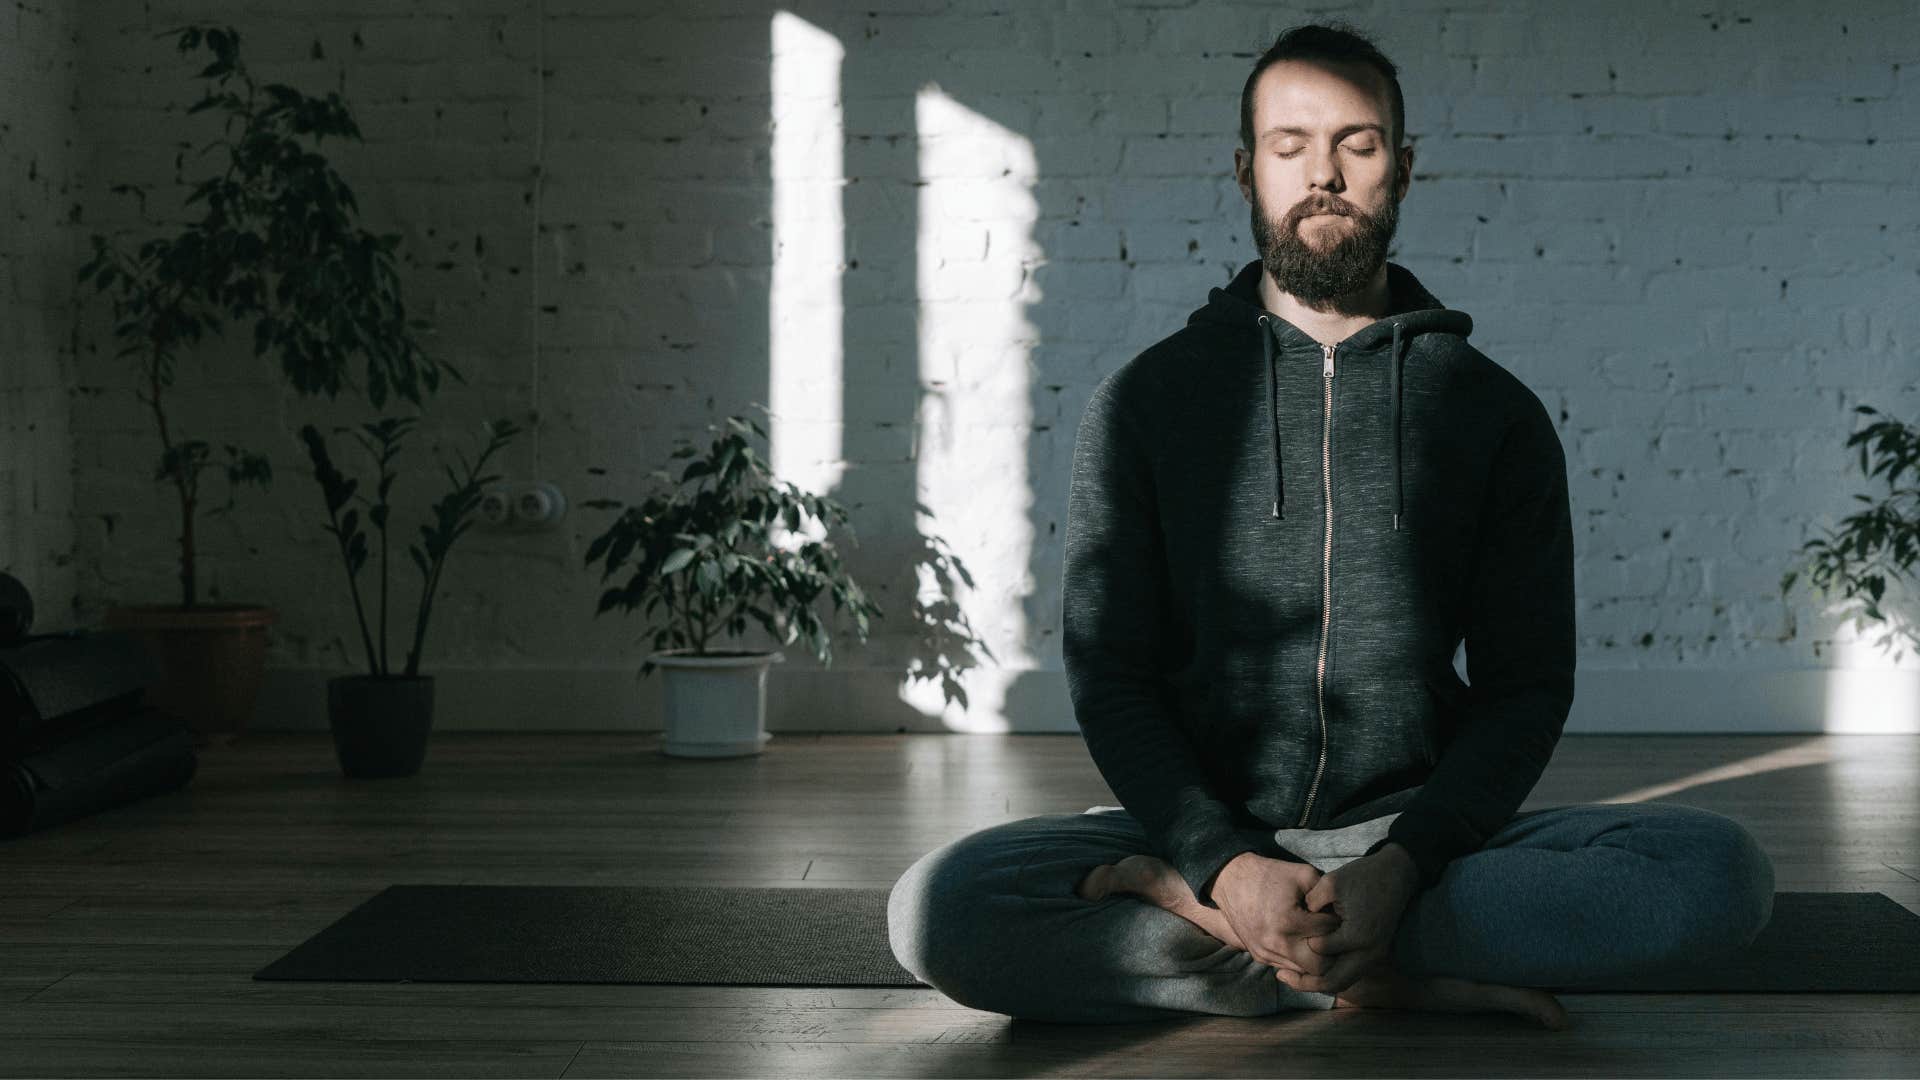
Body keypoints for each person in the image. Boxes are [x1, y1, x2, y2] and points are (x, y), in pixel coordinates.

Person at [886, 21, 1775, 1028]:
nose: (1325, 175)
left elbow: (1525, 689)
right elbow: (1111, 674)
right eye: (1290, 146)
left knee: (1717, 877)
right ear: (1246, 170)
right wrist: (1221, 865)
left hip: (1418, 842)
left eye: (1356, 144)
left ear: (1401, 167)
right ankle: (1355, 964)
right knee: (938, 909)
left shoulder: (1493, 414)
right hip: (1204, 834)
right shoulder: (1147, 401)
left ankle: (1278, 952)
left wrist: (1405, 866)